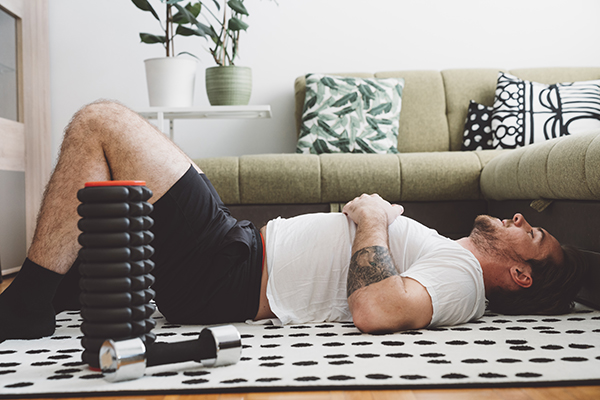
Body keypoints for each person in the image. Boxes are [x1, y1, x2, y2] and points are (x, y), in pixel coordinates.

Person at [0, 101, 589, 342]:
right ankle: (43, 293)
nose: (519, 218)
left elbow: (376, 310)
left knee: (101, 122)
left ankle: (27, 306)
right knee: (106, 223)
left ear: (521, 276)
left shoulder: (464, 281)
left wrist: (372, 219)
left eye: (531, 233)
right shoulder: (453, 257)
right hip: (234, 253)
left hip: (228, 273)